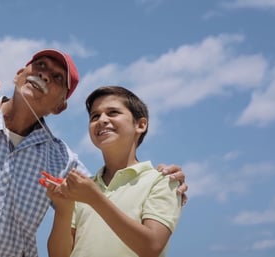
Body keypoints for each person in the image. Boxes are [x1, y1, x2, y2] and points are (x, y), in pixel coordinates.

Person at [0, 49, 187, 257]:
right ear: (18, 75)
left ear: (60, 106)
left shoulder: (61, 160)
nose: (43, 75)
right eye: (39, 65)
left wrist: (162, 177)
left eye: (57, 77)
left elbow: (105, 194)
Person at [45, 86, 182, 257]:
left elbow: (152, 247)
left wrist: (95, 199)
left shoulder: (162, 181)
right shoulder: (82, 190)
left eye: (113, 112)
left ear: (141, 125)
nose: (102, 120)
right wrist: (63, 209)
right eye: (95, 116)